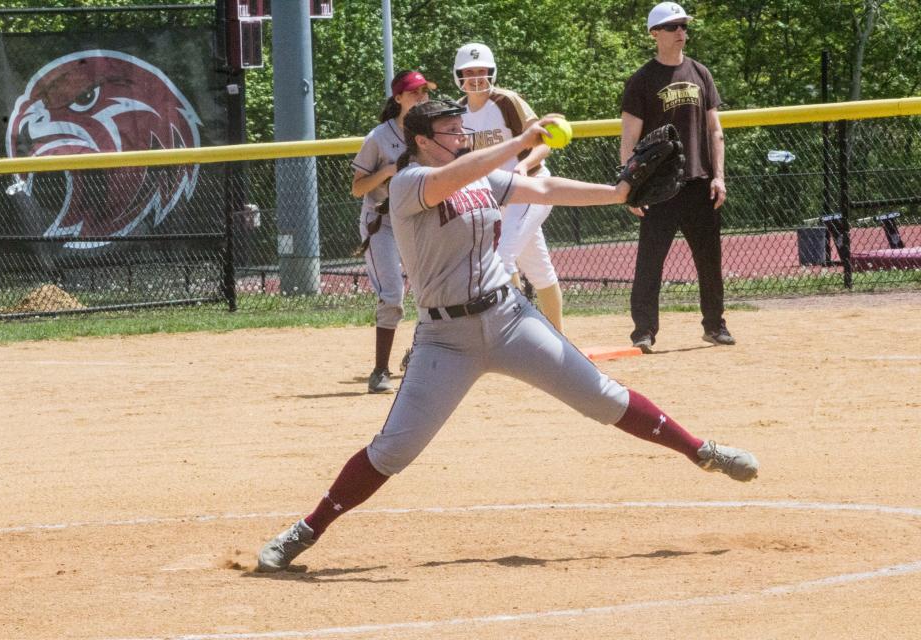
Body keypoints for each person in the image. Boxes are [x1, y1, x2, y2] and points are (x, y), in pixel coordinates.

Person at [256, 99, 759, 573]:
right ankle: (305, 530)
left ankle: (701, 450)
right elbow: (453, 178)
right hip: (444, 339)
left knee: (603, 397)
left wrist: (616, 193)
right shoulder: (410, 182)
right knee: (393, 451)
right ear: (423, 141)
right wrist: (522, 140)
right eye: (450, 131)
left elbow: (541, 190)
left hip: (510, 319)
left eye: (460, 128)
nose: (460, 136)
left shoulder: (478, 176)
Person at [621, 2, 733, 354]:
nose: (681, 32)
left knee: (709, 261)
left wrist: (720, 177)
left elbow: (715, 131)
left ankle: (715, 325)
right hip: (658, 188)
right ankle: (643, 331)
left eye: (683, 26)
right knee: (650, 262)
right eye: (672, 27)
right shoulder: (641, 81)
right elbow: (629, 140)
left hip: (700, 182)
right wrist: (630, 188)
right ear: (655, 34)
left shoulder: (700, 73)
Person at [453, 42, 566, 334]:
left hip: (531, 188)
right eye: (469, 72)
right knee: (539, 270)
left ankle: (514, 332)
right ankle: (558, 337)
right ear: (459, 75)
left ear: (492, 73)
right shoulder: (458, 113)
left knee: (500, 258)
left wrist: (523, 166)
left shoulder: (506, 101)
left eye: (482, 71)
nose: (476, 77)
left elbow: (543, 145)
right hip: (497, 198)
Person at [350, 70, 436, 393]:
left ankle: (416, 353)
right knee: (393, 295)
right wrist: (386, 170)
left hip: (418, 221)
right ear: (398, 98)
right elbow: (357, 189)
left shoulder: (429, 133)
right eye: (414, 93)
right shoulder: (378, 138)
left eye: (424, 92)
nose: (421, 98)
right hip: (382, 222)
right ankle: (380, 371)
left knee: (431, 291)